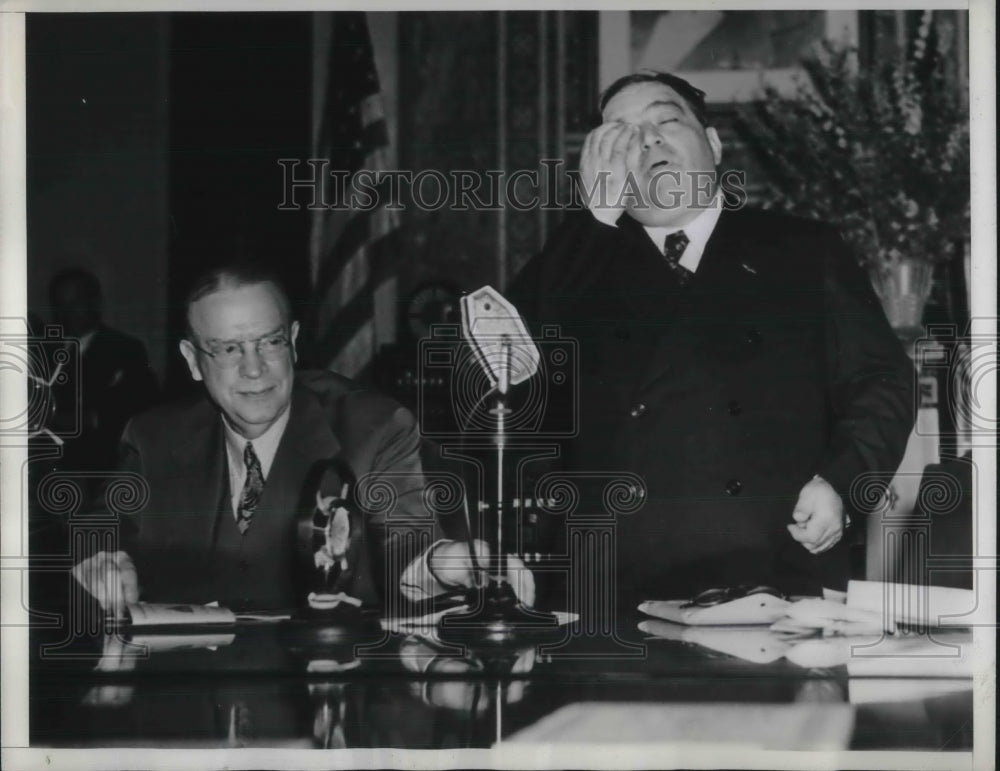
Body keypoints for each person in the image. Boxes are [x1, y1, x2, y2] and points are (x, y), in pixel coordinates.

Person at [509, 72, 916, 603]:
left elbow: (880, 381)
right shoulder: (577, 264)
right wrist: (595, 218)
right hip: (612, 587)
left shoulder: (802, 250)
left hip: (774, 572)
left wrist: (842, 482)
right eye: (622, 133)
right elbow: (504, 378)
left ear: (714, 144)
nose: (648, 139)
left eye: (666, 119)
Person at [72, 264, 505, 615]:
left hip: (324, 694)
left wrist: (440, 562)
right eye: (227, 349)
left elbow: (404, 540)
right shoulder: (155, 437)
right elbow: (101, 529)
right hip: (184, 700)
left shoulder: (373, 427)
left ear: (293, 342)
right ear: (193, 361)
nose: (254, 368)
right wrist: (102, 563)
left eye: (270, 342)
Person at [47, 267, 159, 477]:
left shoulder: (125, 349)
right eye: (61, 304)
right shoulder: (43, 350)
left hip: (103, 468)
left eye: (75, 302)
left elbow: (139, 408)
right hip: (48, 466)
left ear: (94, 302)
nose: (68, 311)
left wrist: (87, 419)